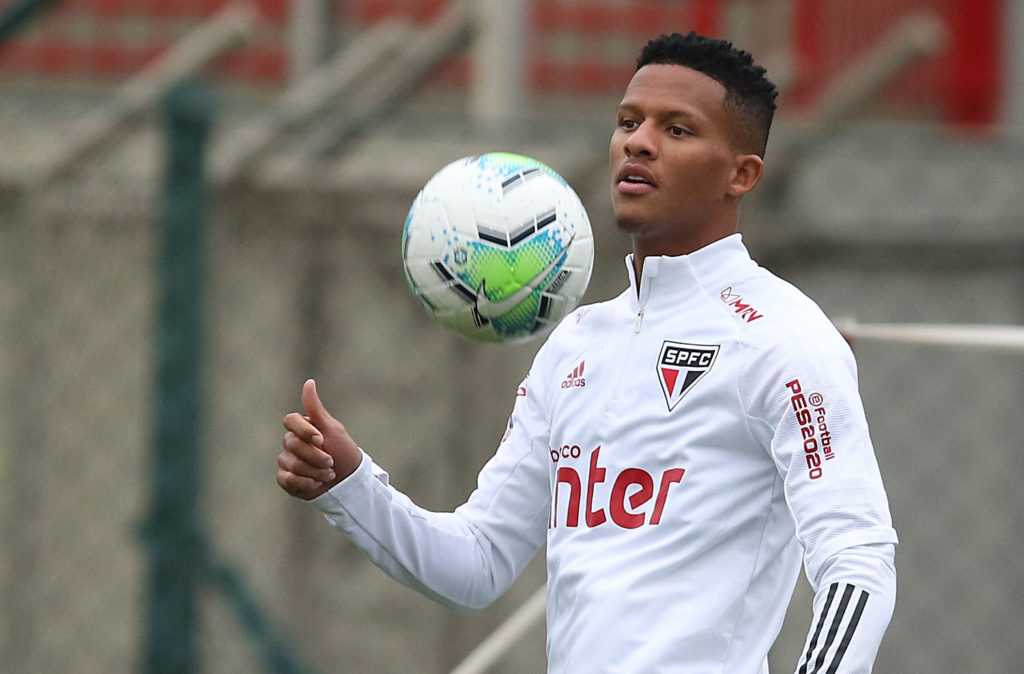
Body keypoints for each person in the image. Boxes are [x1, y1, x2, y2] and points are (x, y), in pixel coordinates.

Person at [277, 31, 897, 674]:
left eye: (677, 130)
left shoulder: (780, 337)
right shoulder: (577, 342)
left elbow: (858, 558)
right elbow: (479, 561)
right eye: (628, 122)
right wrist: (349, 483)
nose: (638, 142)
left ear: (741, 175)